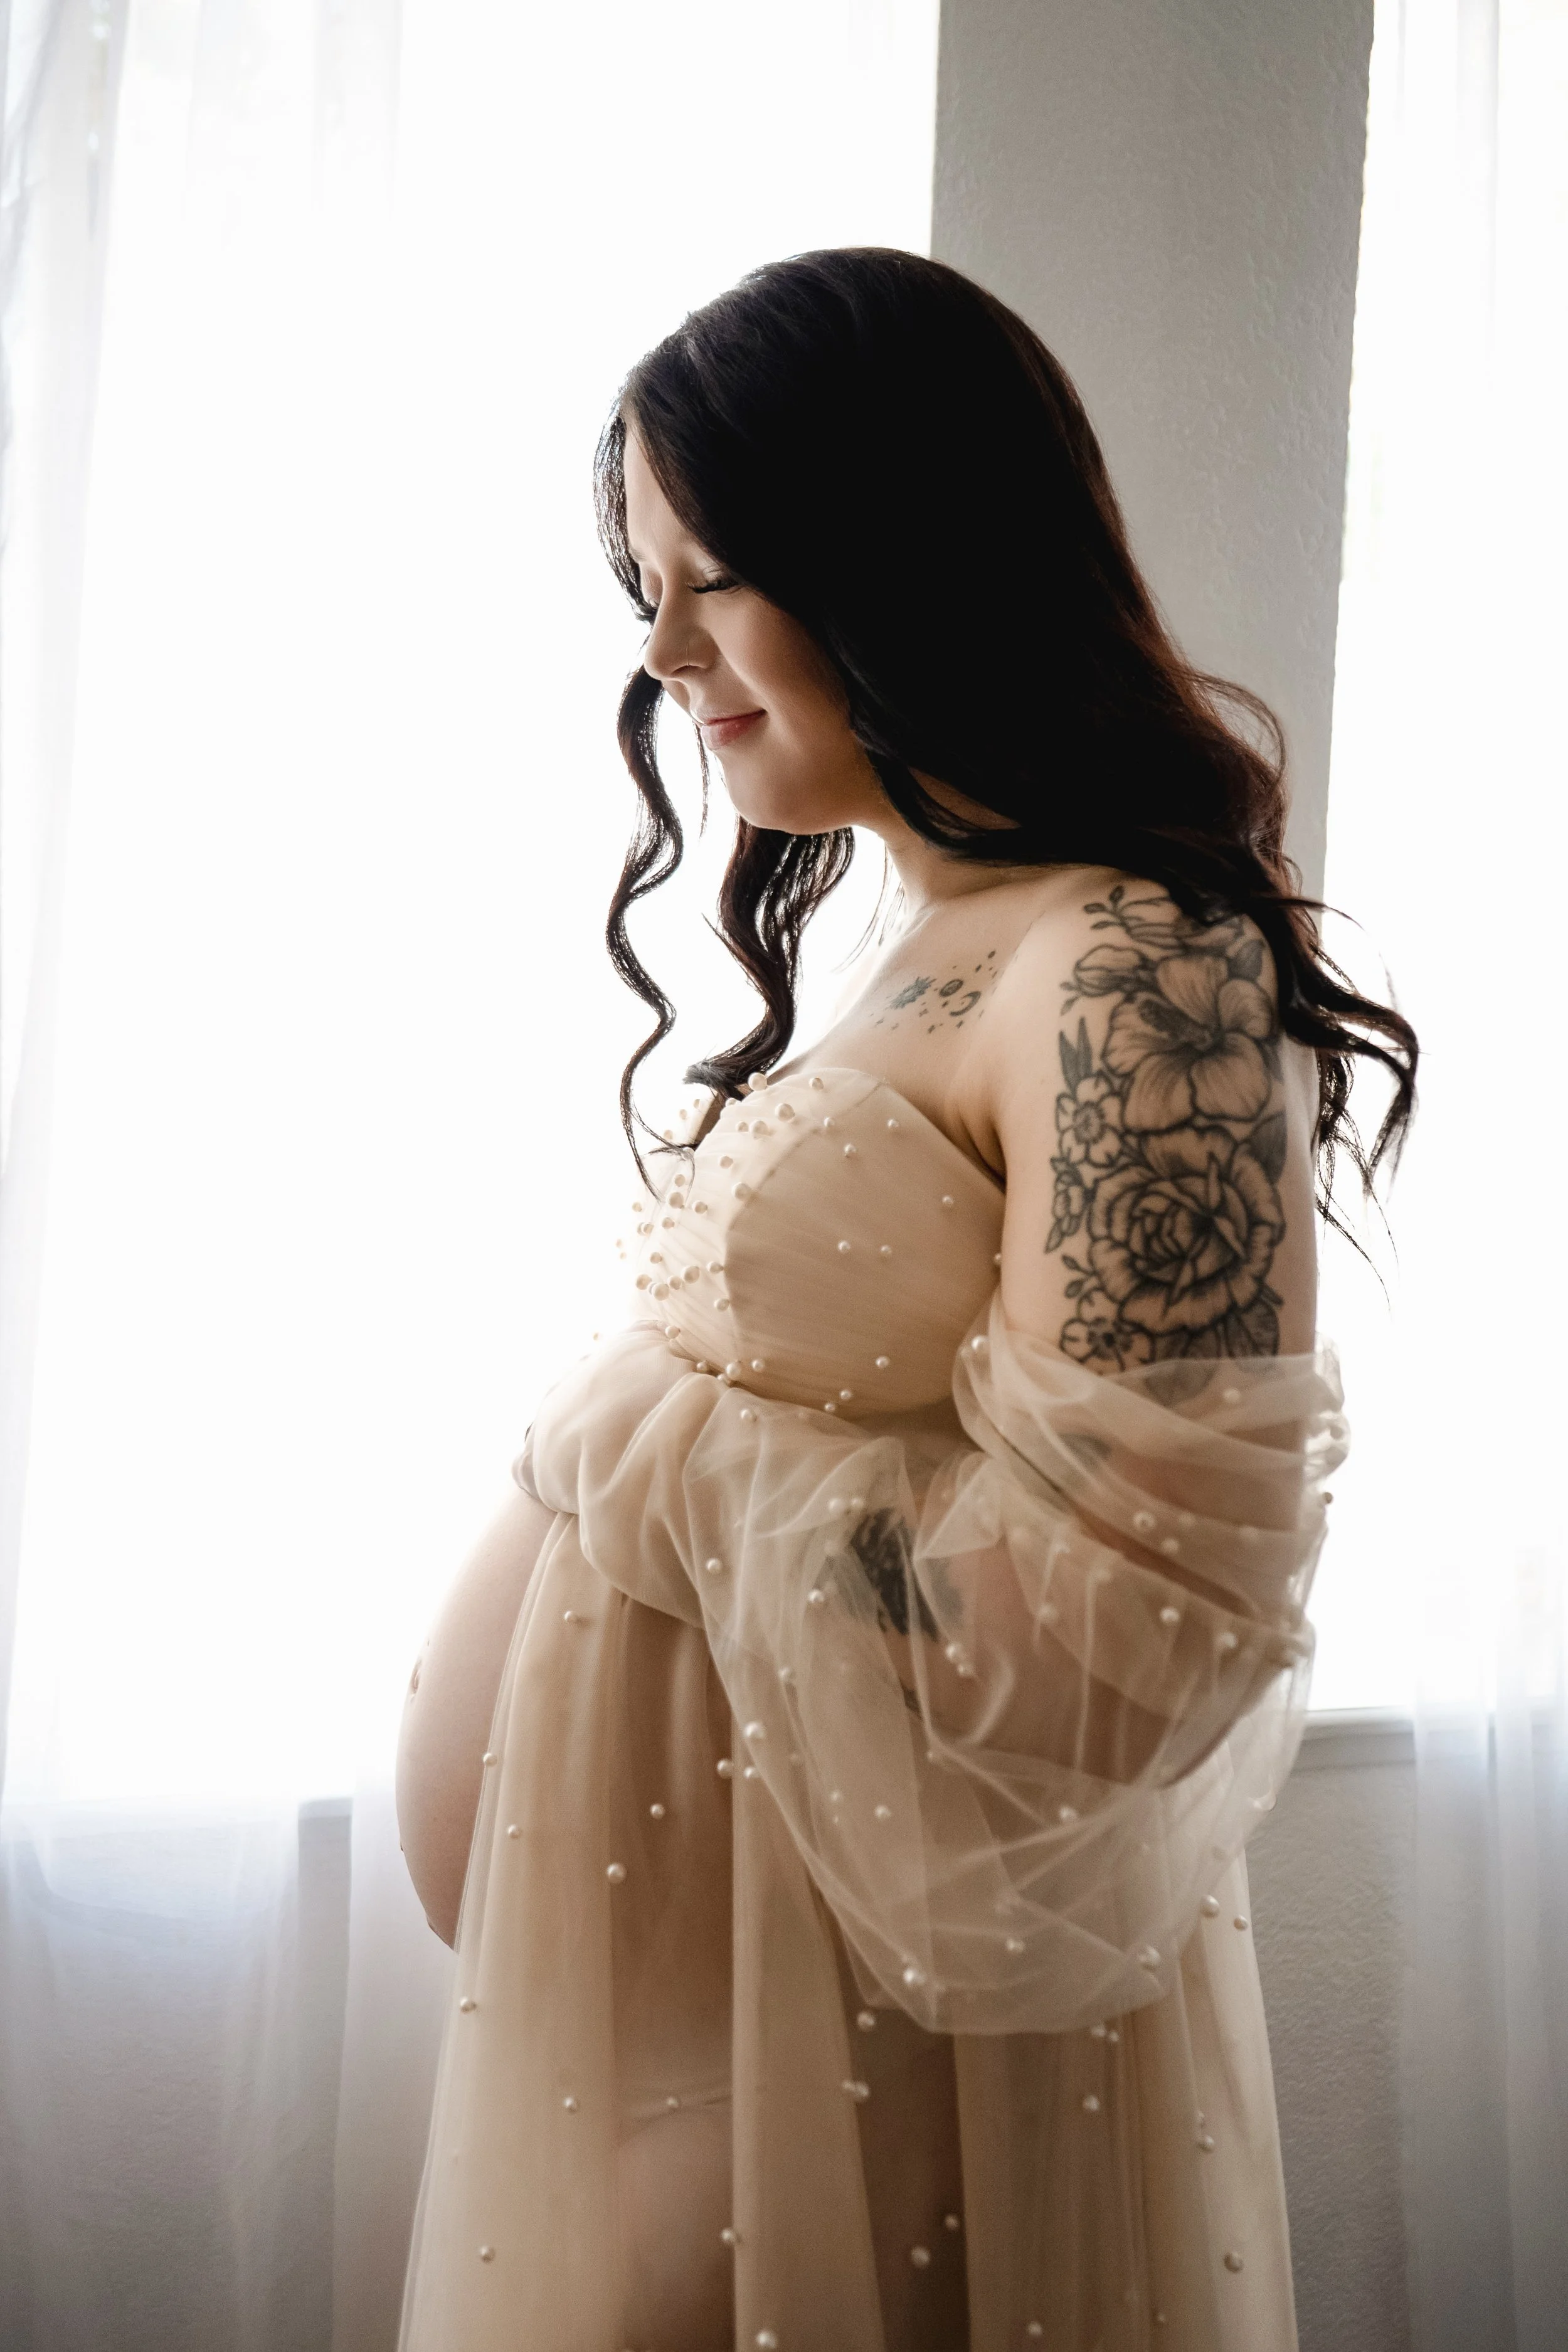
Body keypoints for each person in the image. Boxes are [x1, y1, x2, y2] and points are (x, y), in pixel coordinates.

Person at [392, 248, 1415, 2352]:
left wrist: (668, 1465)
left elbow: (1146, 1634)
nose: (663, 648)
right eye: (645, 584)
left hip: (829, 2056)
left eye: (716, 573)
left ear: (908, 555)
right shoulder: (935, 933)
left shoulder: (1131, 970)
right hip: (697, 2034)